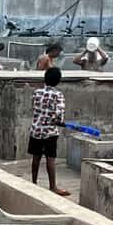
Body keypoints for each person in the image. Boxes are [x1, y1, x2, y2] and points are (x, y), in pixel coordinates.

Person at [28, 67, 70, 197]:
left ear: (45, 78)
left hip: (35, 130)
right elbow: (59, 117)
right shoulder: (58, 95)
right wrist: (60, 122)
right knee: (50, 159)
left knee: (36, 158)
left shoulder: (37, 92)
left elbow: (34, 108)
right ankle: (53, 187)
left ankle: (33, 183)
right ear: (58, 81)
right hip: (50, 132)